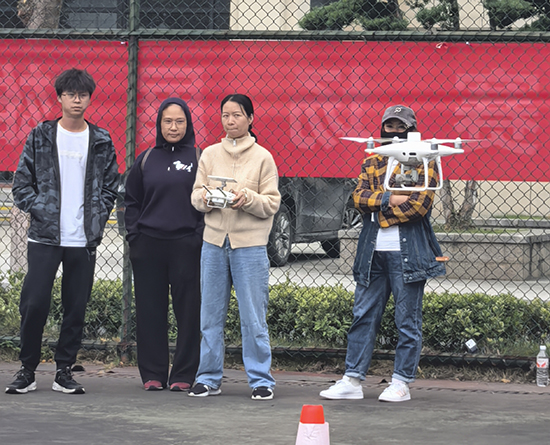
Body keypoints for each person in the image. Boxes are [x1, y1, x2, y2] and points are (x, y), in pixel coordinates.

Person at [320, 105, 446, 402]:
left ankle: (401, 382)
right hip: (372, 252)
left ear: (412, 129)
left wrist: (379, 211)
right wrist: (391, 198)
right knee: (362, 315)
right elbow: (358, 198)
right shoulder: (373, 159)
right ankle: (352, 380)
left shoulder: (425, 160)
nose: (394, 132)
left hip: (408, 254)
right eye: (390, 126)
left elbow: (419, 206)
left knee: (407, 320)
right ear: (382, 128)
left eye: (401, 126)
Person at [6, 68, 119, 395]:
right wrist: (40, 208)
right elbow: (21, 184)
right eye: (70, 94)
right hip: (44, 236)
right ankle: (27, 370)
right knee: (34, 303)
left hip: (83, 238)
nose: (76, 100)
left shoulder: (101, 139)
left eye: (82, 95)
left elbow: (110, 186)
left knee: (76, 307)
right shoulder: (41, 135)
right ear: (59, 98)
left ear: (89, 98)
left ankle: (64, 371)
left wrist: (98, 217)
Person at [189, 94, 280, 400]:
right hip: (213, 243)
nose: (230, 121)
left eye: (237, 115)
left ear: (250, 118)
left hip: (250, 246)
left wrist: (248, 199)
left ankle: (261, 380)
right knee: (210, 315)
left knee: (253, 316)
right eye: (225, 115)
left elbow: (272, 202)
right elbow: (195, 195)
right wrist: (206, 198)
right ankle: (208, 377)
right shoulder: (209, 154)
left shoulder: (263, 157)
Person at [124, 98, 203, 391]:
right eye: (167, 121)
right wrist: (135, 235)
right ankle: (153, 373)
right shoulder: (146, 159)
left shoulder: (200, 157)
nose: (173, 127)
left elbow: (207, 201)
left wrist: (197, 236)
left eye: (179, 121)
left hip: (186, 245)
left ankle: (184, 374)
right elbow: (131, 200)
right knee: (150, 311)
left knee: (189, 312)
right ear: (159, 124)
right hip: (148, 246)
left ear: (188, 124)